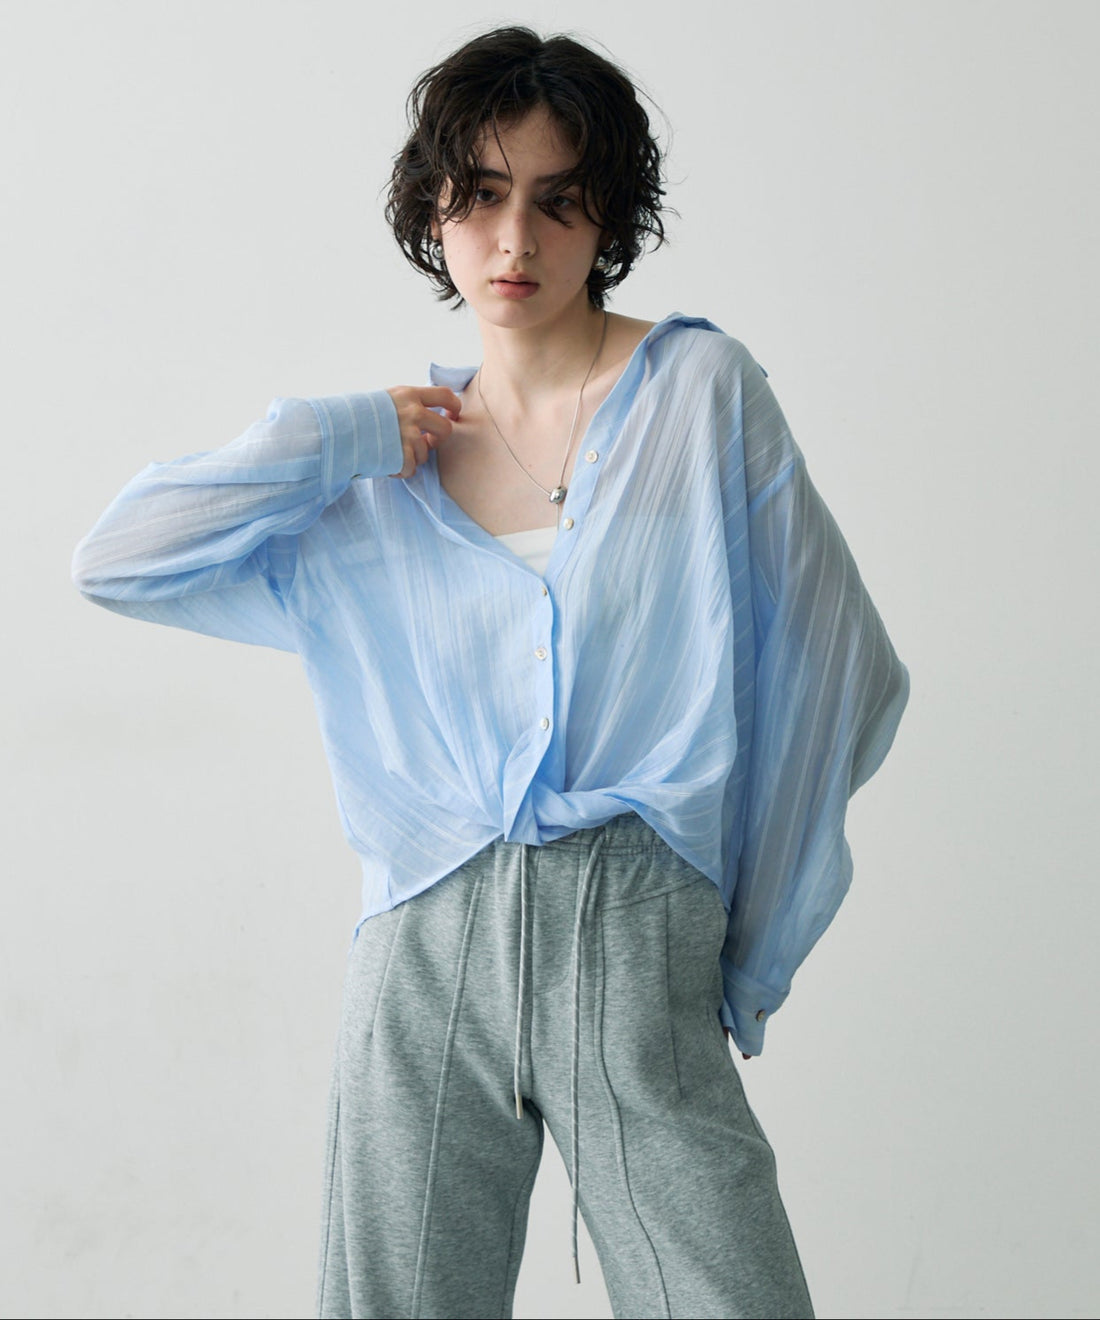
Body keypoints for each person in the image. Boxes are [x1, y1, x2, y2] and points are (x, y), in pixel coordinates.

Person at [71, 25, 909, 1320]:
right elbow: (118, 561)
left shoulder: (697, 394)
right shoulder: (374, 473)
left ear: (607, 218)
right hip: (423, 953)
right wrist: (331, 435)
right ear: (432, 210)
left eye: (558, 202)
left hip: (636, 931)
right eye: (479, 196)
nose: (515, 241)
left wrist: (739, 944)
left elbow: (842, 671)